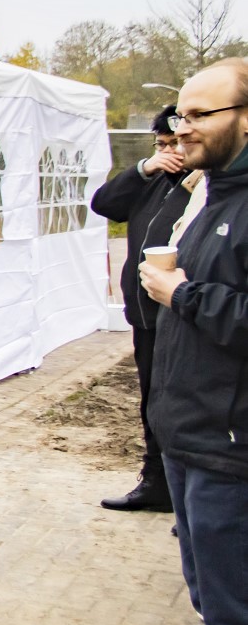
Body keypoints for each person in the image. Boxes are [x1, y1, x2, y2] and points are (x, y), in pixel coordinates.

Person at [137, 59, 248, 625]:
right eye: (181, 114)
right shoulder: (215, 192)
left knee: (237, 619)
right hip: (190, 432)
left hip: (228, 444)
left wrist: (183, 296)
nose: (185, 127)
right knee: (217, 604)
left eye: (201, 114)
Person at [88, 106, 187, 513]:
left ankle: (186, 494)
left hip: (182, 315)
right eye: (161, 145)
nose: (169, 153)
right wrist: (145, 168)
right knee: (151, 401)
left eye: (174, 144)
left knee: (182, 404)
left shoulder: (206, 187)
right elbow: (104, 203)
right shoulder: (154, 181)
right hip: (145, 314)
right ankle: (155, 482)